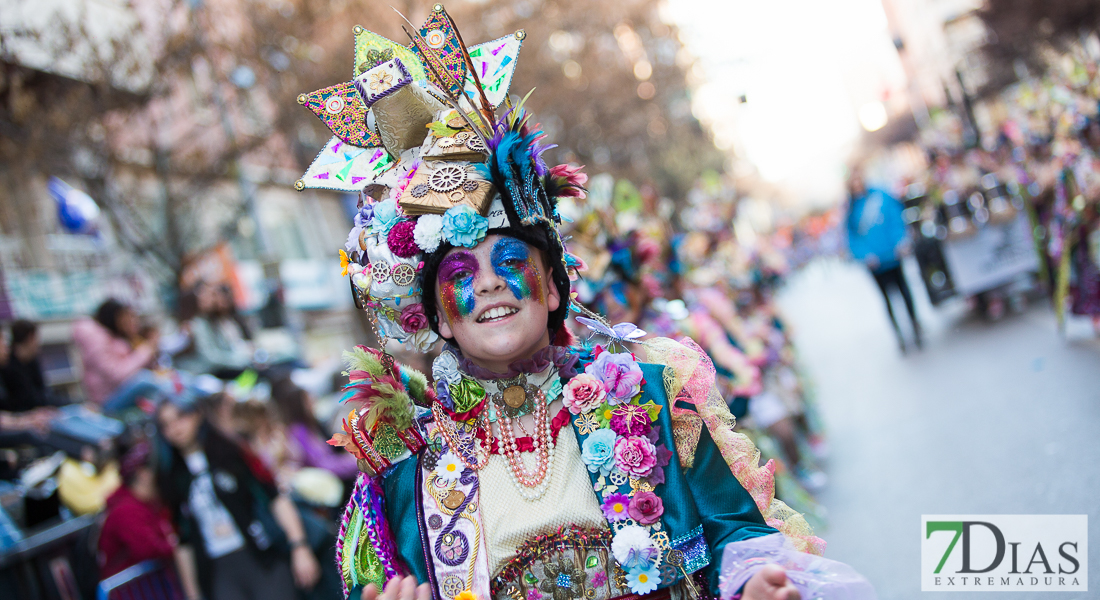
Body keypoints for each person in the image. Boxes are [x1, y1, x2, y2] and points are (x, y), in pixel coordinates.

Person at [306, 15, 869, 600]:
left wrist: (751, 579)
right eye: (460, 275)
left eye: (508, 263)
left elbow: (736, 530)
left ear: (552, 288)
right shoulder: (406, 477)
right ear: (441, 318)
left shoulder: (650, 398)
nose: (491, 286)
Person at [155, 395, 320, 600]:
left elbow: (274, 497)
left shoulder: (232, 452)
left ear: (197, 414)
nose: (175, 428)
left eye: (180, 417)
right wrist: (193, 593)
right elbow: (182, 539)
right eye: (166, 424)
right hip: (218, 567)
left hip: (261, 553)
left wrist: (299, 546)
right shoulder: (172, 477)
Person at [845, 168, 922, 352]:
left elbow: (896, 218)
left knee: (905, 291)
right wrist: (864, 255)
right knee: (887, 299)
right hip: (876, 263)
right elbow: (851, 237)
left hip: (893, 255)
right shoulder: (850, 209)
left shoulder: (881, 196)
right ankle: (899, 335)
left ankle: (915, 326)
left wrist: (901, 241)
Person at [72, 299, 169, 412]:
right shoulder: (97, 341)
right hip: (106, 401)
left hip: (122, 393)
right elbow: (117, 375)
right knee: (145, 380)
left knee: (162, 377)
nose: (132, 321)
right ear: (113, 317)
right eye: (126, 317)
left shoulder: (121, 338)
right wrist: (144, 352)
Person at [98, 442, 179, 578]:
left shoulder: (149, 503)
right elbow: (148, 549)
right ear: (143, 474)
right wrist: (180, 544)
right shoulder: (125, 510)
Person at [270, 378, 358, 482]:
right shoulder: (299, 431)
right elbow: (322, 465)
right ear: (299, 405)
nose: (313, 401)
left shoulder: (312, 424)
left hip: (336, 470)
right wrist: (354, 461)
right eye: (308, 399)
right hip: (330, 478)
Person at [187, 282, 254, 379]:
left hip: (230, 365)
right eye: (211, 296)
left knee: (259, 372)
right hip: (212, 372)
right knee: (252, 375)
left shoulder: (222, 319)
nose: (214, 300)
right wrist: (239, 360)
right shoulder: (199, 323)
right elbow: (210, 357)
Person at [1, 320, 66, 411]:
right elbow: (27, 400)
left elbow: (42, 392)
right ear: (30, 337)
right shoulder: (8, 366)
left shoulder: (32, 360)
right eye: (2, 340)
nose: (6, 345)